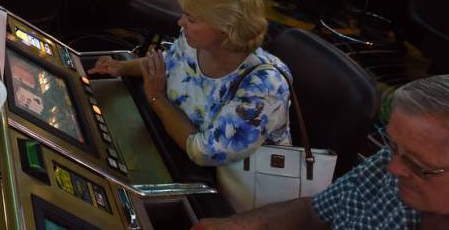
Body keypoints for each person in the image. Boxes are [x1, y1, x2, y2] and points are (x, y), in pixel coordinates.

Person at [90, 0, 291, 167]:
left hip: (231, 182)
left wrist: (156, 98)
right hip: (172, 142)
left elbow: (203, 152)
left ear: (227, 28)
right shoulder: (194, 42)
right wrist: (121, 67)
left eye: (191, 19)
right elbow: (167, 64)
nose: (180, 22)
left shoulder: (265, 86)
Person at [192, 75, 449, 229]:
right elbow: (313, 211)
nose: (393, 168)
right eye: (391, 145)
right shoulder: (389, 163)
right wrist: (236, 225)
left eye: (417, 166)